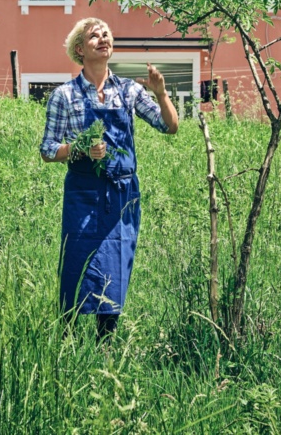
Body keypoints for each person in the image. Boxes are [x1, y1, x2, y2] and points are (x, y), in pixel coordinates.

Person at [39, 18, 179, 338]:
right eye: (94, 35)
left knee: (114, 270)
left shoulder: (129, 91)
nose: (103, 38)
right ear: (79, 49)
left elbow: (168, 126)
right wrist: (79, 149)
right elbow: (47, 150)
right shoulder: (64, 96)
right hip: (83, 194)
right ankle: (67, 343)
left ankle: (107, 347)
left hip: (121, 195)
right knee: (77, 266)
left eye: (106, 34)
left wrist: (161, 94)